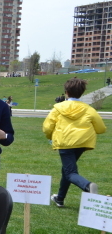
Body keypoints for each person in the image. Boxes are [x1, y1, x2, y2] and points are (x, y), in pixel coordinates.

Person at [43, 77, 106, 207]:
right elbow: (101, 128)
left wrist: (50, 136)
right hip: (82, 144)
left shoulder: (58, 108)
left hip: (65, 143)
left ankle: (88, 186)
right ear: (82, 92)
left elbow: (47, 127)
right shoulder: (89, 109)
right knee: (67, 169)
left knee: (70, 172)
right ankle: (60, 198)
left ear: (66, 92)